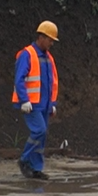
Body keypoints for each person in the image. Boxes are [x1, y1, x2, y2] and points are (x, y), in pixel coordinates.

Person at [12, 21, 60, 180]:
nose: (51, 43)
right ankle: (25, 160)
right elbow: (19, 79)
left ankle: (36, 168)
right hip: (31, 104)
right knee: (39, 131)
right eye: (50, 40)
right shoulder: (27, 54)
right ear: (42, 37)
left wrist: (52, 103)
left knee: (42, 136)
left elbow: (52, 82)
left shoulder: (48, 58)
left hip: (44, 104)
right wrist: (24, 100)